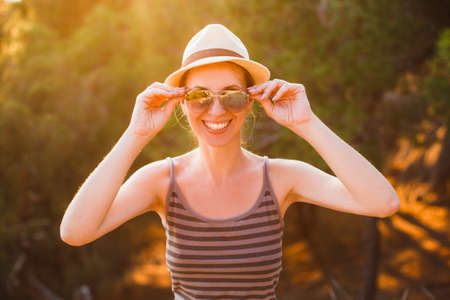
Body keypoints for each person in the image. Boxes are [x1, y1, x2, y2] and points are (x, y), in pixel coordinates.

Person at [60, 24, 400, 300]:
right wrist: (136, 133)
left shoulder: (281, 178)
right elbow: (75, 232)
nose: (217, 110)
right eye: (199, 96)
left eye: (232, 94)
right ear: (181, 103)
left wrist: (306, 123)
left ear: (250, 101)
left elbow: (382, 202)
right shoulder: (162, 181)